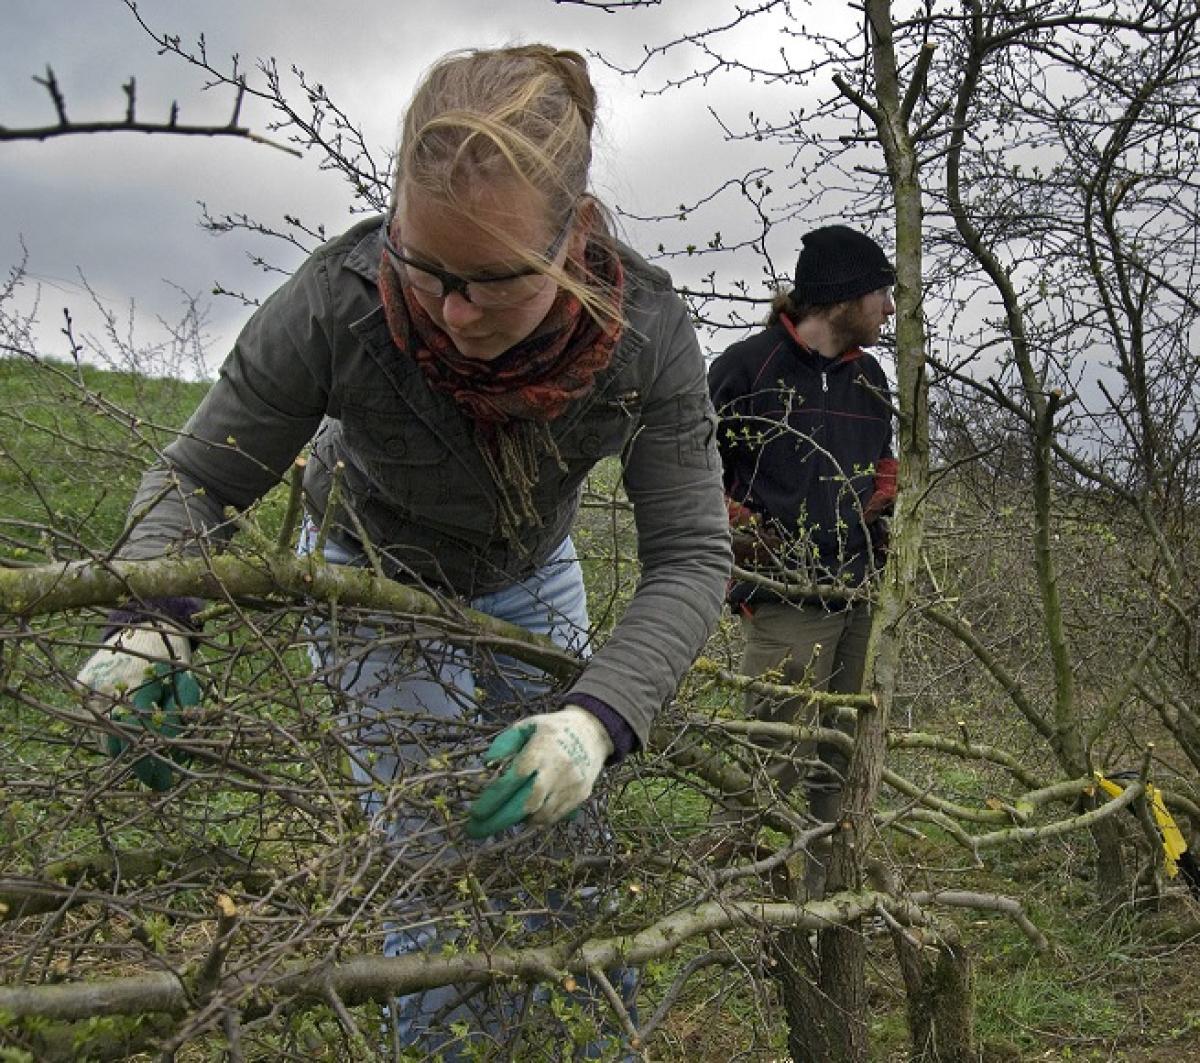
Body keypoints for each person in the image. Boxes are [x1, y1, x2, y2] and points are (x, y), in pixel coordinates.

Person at [76, 44, 731, 1056]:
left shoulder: (642, 334)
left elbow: (691, 551)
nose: (450, 309)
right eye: (423, 268)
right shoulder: (340, 303)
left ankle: (592, 1040)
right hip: (369, 568)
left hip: (531, 576)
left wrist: (598, 720)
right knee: (436, 839)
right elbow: (201, 475)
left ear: (575, 237)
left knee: (570, 839)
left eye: (491, 280)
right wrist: (153, 617)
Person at [707, 224, 897, 897]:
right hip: (783, 598)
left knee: (841, 760)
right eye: (881, 292)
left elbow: (882, 466)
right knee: (771, 755)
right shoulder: (745, 367)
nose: (889, 309)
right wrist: (740, 529)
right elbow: (694, 468)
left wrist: (885, 498)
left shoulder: (871, 379)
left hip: (858, 595)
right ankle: (724, 891)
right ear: (843, 296)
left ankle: (828, 898)